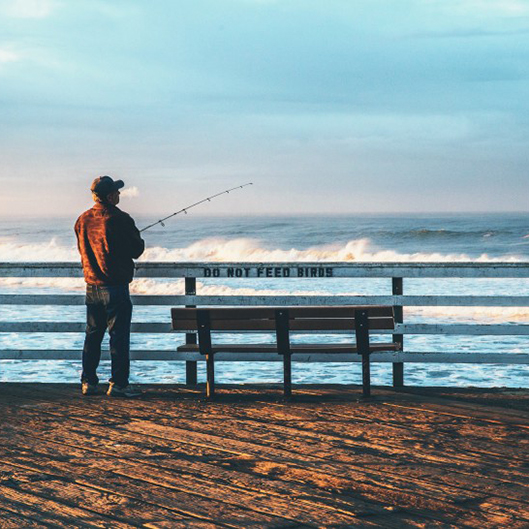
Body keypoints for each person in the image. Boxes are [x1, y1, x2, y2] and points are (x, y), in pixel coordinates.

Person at [75, 176, 145, 397]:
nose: (119, 194)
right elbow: (136, 250)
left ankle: (88, 382)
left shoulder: (82, 219)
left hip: (91, 287)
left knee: (92, 335)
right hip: (115, 287)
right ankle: (119, 384)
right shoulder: (120, 218)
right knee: (119, 337)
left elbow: (84, 249)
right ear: (108, 196)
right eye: (116, 191)